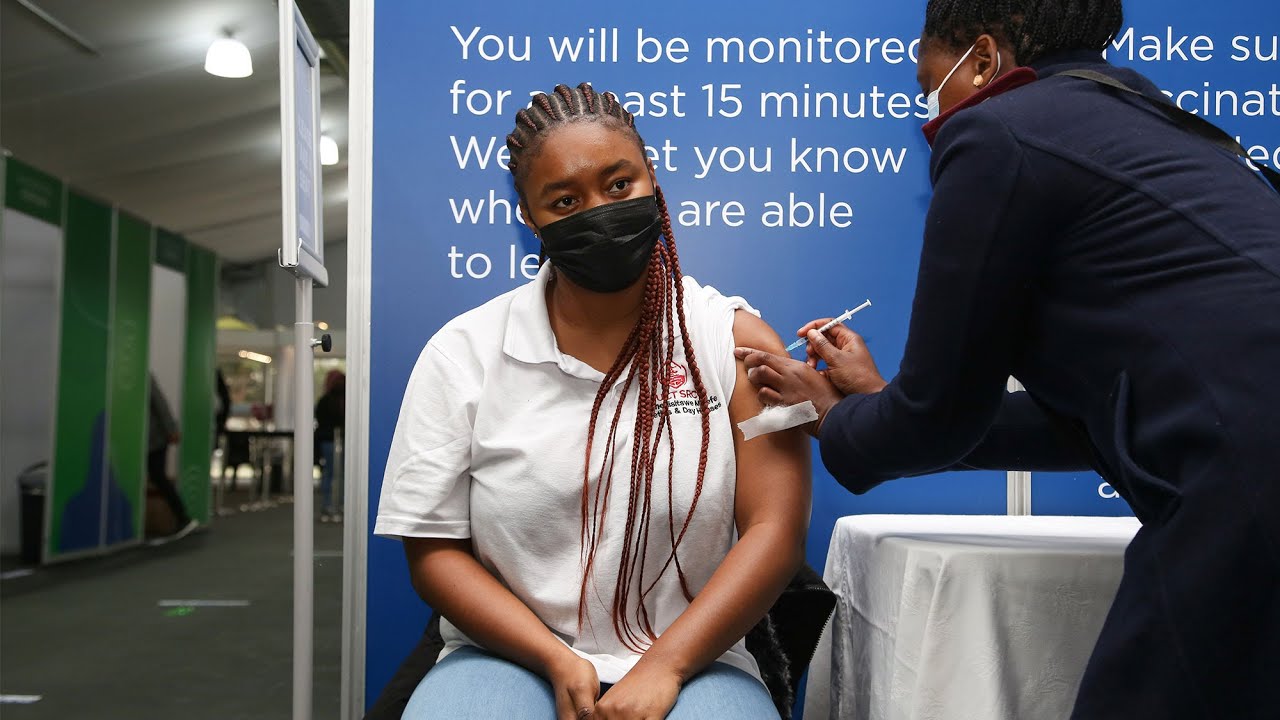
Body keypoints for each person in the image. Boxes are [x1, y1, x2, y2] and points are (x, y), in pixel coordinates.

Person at [735, 1, 1280, 719]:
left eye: (930, 82)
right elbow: (1086, 424)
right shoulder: (1179, 136)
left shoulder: (998, 133)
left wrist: (842, 416)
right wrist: (878, 401)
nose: (929, 107)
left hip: (1245, 486)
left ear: (984, 60)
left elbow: (937, 420)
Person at [375, 82, 810, 720]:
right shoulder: (463, 352)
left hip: (697, 656)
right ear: (528, 217)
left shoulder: (734, 342)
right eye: (564, 200)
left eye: (618, 184)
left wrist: (664, 666)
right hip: (505, 653)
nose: (599, 211)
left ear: (652, 178)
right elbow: (434, 551)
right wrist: (555, 658)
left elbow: (775, 529)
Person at [147, 374, 198, 542]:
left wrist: (171, 430)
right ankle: (182, 517)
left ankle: (183, 517)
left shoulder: (144, 376)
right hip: (150, 438)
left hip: (155, 439)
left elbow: (160, 405)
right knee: (157, 476)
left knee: (158, 476)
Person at [315, 369, 345, 521]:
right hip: (335, 441)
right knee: (336, 473)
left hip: (331, 441)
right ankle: (336, 504)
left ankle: (331, 504)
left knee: (331, 473)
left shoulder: (325, 400)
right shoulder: (344, 400)